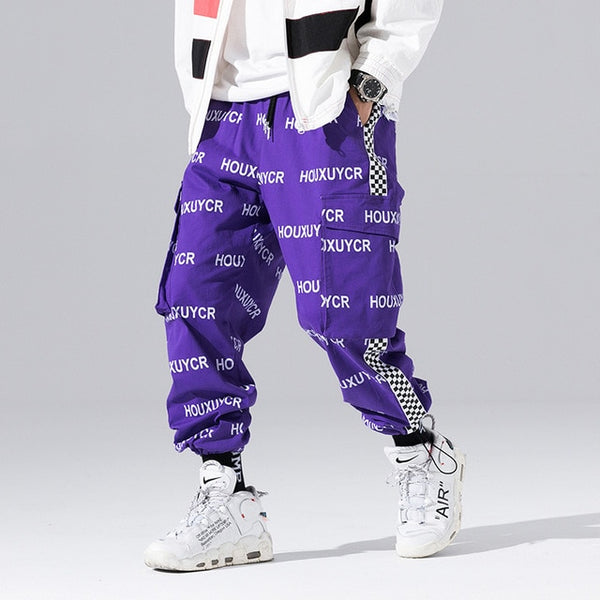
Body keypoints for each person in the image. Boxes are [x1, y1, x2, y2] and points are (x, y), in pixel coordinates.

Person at [144, 0, 464, 571]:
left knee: (345, 314)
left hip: (325, 110)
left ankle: (420, 452)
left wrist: (372, 80)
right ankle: (227, 496)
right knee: (196, 299)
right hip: (220, 114)